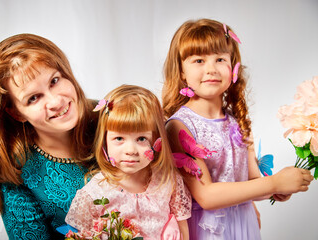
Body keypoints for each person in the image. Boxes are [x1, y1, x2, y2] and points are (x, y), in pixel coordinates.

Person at [162, 19, 314, 239]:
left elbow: (251, 180)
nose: (211, 69)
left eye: (220, 59)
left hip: (244, 223)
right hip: (209, 229)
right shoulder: (179, 126)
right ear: (182, 71)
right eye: (199, 60)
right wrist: (272, 182)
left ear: (233, 67)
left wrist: (276, 188)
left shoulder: (237, 120)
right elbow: (206, 195)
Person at [0, 33, 98, 239]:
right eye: (33, 98)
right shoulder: (17, 172)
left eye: (54, 81)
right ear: (16, 113)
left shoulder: (110, 115)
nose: (55, 101)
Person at [65, 85, 192, 239]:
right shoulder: (94, 194)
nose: (131, 150)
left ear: (157, 140)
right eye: (119, 138)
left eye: (141, 139)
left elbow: (184, 231)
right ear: (104, 142)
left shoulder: (169, 182)